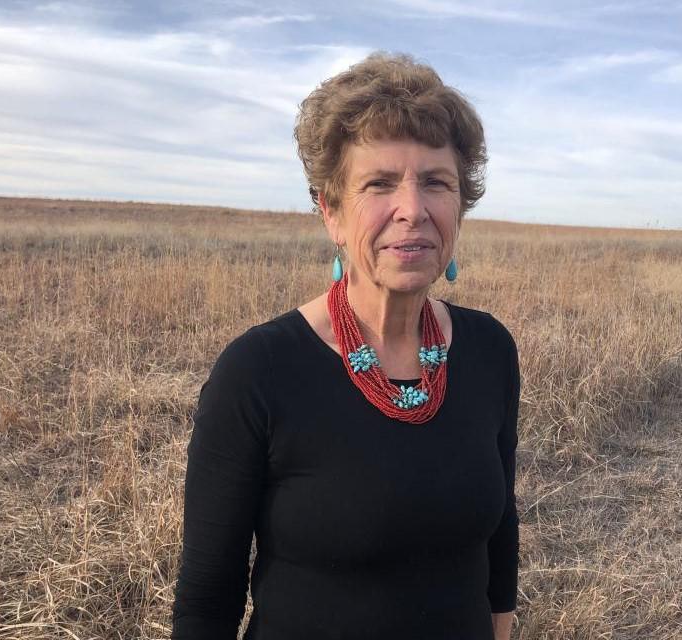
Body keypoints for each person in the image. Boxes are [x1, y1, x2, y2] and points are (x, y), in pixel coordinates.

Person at [172, 52, 520, 640]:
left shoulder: (488, 349)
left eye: (436, 182)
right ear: (330, 212)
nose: (412, 209)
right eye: (379, 184)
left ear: (460, 205)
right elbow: (207, 601)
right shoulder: (259, 371)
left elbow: (499, 534)